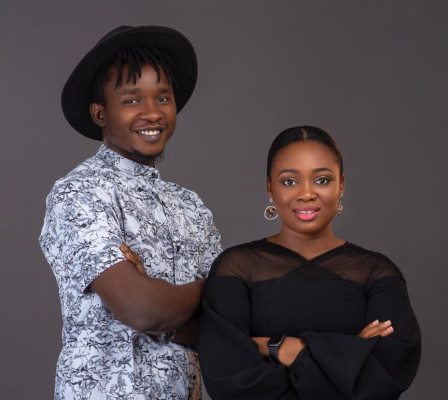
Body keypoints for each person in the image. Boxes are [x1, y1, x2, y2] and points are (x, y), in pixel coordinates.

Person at [39, 25, 222, 400]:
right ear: (100, 113)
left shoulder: (191, 206)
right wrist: (209, 291)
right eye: (131, 100)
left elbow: (228, 322)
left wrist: (161, 304)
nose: (152, 113)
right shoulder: (79, 193)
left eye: (163, 97)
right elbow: (141, 310)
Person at [197, 126, 421, 399]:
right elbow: (229, 381)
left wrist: (282, 348)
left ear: (341, 185)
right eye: (289, 182)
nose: (306, 193)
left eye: (322, 180)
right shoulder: (235, 269)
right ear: (270, 188)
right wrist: (347, 356)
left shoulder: (378, 274)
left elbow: (382, 381)